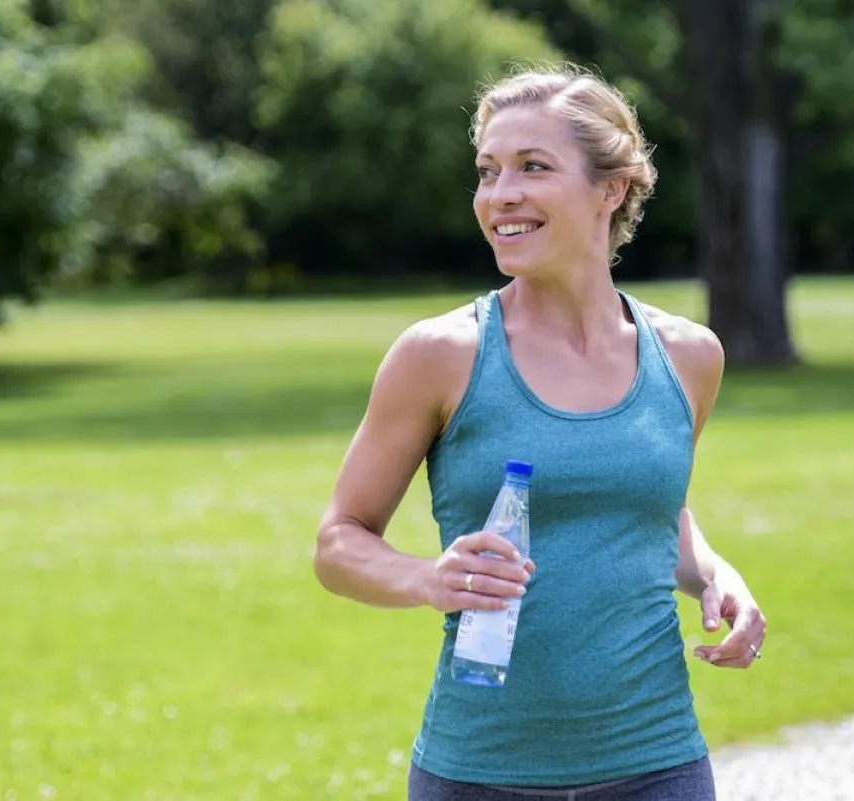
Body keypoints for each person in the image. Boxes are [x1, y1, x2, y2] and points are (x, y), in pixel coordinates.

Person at [313, 62, 768, 801]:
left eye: (533, 167)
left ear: (610, 188)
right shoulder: (441, 355)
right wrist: (427, 579)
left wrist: (718, 575)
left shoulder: (689, 356)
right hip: (481, 773)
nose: (501, 195)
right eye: (488, 171)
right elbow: (339, 541)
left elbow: (652, 513)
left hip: (660, 765)